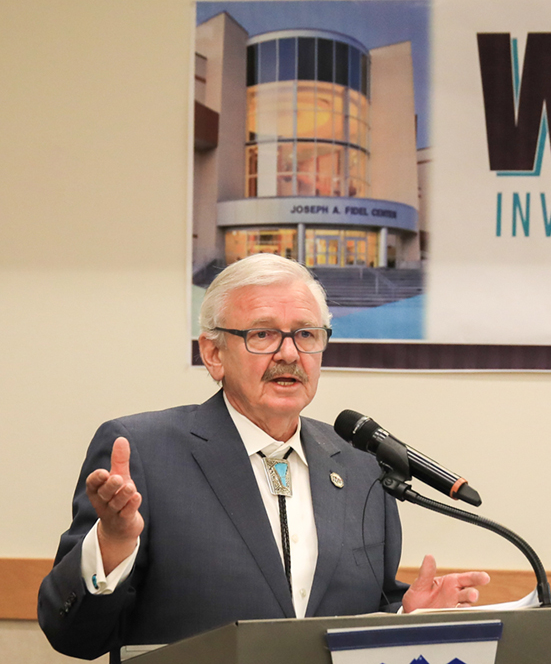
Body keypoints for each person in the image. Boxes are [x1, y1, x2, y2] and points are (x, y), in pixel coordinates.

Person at [38, 254, 489, 661]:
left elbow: (360, 611)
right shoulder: (145, 452)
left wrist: (405, 619)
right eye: (264, 334)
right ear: (213, 353)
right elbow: (73, 637)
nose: (289, 353)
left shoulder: (360, 465)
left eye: (306, 335)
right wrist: (114, 544)